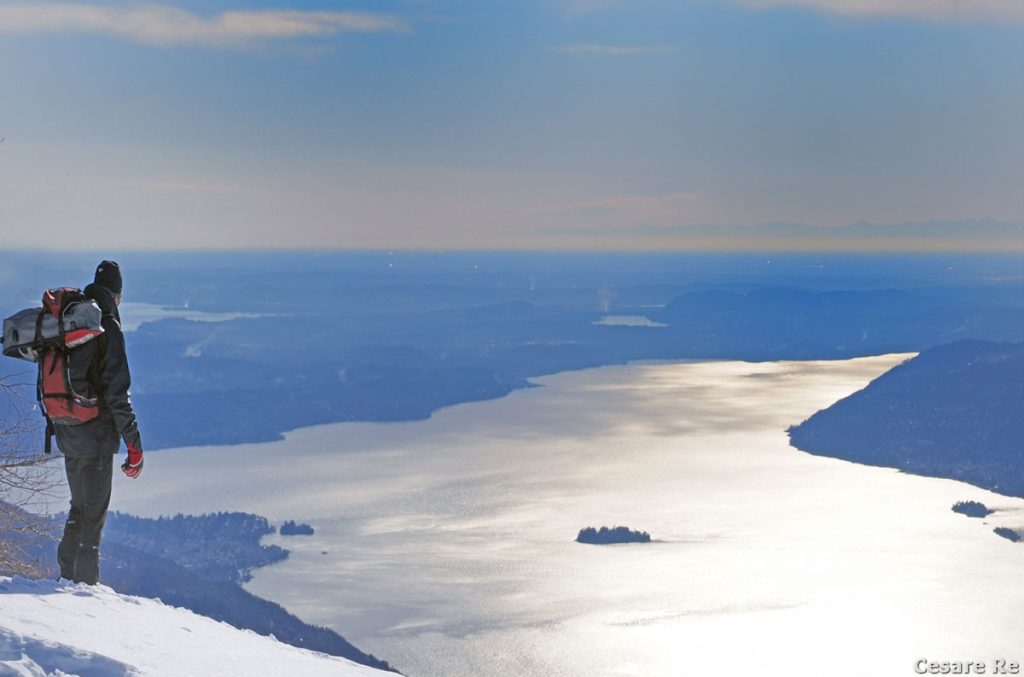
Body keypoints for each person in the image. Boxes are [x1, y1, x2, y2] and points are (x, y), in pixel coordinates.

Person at [56, 260, 144, 585]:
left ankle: (65, 579)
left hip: (67, 431)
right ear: (117, 295)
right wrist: (135, 446)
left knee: (77, 509)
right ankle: (83, 593)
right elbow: (118, 397)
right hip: (95, 438)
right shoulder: (107, 325)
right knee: (92, 520)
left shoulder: (73, 317)